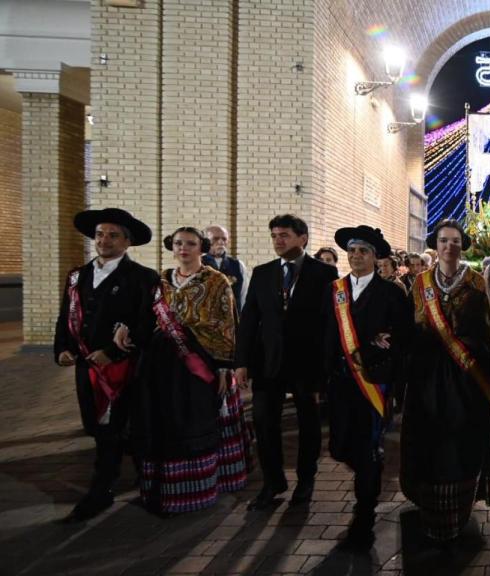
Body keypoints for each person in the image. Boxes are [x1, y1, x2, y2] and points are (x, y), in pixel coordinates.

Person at [131, 227, 247, 514]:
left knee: (195, 421)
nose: (184, 248)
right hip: (161, 366)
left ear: (202, 248)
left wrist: (224, 366)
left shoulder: (216, 281)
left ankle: (199, 489)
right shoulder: (159, 281)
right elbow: (145, 317)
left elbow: (227, 323)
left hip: (201, 365)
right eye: (178, 243)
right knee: (163, 422)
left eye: (191, 244)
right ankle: (166, 491)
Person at [54, 208, 159, 522]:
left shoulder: (143, 278)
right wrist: (62, 349)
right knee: (100, 428)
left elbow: (147, 325)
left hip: (124, 369)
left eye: (113, 235)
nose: (104, 240)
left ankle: (107, 490)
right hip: (87, 368)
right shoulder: (78, 276)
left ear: (127, 242)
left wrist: (112, 353)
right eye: (100, 234)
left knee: (125, 428)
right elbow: (66, 319)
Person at [402, 219, 490, 545]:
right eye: (444, 240)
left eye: (455, 241)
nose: (449, 246)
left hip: (465, 379)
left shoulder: (476, 283)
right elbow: (410, 326)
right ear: (436, 244)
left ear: (463, 245)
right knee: (428, 440)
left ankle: (459, 511)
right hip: (426, 378)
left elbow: (489, 330)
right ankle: (430, 510)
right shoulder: (420, 283)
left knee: (460, 442)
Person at [235, 214, 338, 511]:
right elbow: (250, 319)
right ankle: (273, 482)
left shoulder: (324, 274)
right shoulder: (262, 273)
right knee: (264, 422)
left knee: (308, 424)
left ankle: (306, 480)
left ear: (302, 238)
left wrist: (326, 367)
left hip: (307, 363)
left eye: (284, 235)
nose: (278, 241)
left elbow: (329, 323)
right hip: (268, 362)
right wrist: (241, 361)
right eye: (275, 236)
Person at [324, 225, 412, 550]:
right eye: (352, 251)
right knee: (341, 446)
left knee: (367, 451)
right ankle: (365, 485)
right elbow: (327, 335)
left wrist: (378, 350)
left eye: (363, 251)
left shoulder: (391, 293)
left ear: (376, 257)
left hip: (374, 384)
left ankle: (364, 514)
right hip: (340, 385)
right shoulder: (335, 290)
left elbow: (402, 336)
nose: (356, 256)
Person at [203, 225, 249, 314]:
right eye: (215, 238)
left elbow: (244, 295)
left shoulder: (238, 265)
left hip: (233, 319)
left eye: (224, 239)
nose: (220, 242)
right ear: (205, 241)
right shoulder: (198, 263)